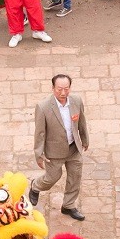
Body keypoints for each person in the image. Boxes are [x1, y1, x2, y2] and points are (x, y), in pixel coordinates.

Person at [31, 73, 89, 221]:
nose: (63, 93)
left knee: (75, 177)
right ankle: (36, 186)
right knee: (52, 177)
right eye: (59, 89)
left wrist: (84, 139)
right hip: (54, 151)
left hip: (73, 147)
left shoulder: (76, 100)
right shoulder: (43, 107)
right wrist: (39, 154)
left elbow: (81, 121)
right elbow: (40, 132)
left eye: (66, 89)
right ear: (53, 88)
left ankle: (68, 205)